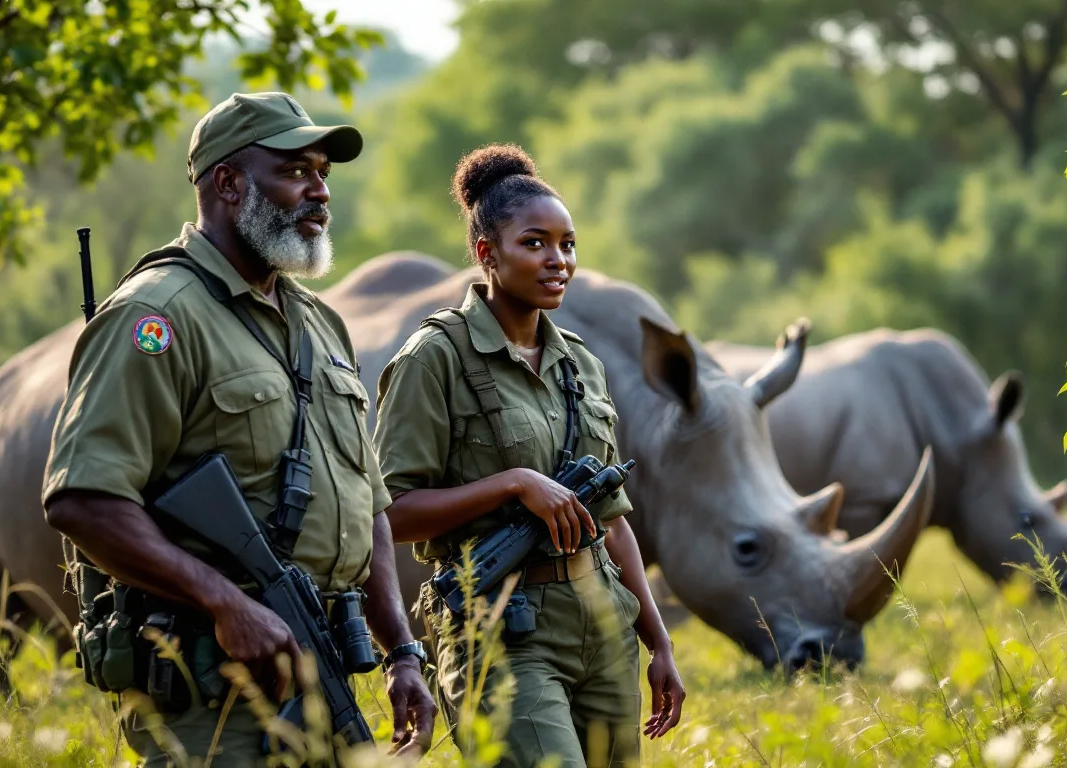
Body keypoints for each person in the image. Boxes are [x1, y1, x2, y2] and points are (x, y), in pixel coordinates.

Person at [42, 92, 436, 766]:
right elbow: (82, 498)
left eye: (323, 173)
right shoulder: (157, 315)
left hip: (321, 671)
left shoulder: (319, 324)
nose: (319, 191)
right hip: (209, 697)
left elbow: (365, 500)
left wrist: (401, 648)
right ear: (227, 183)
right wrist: (226, 603)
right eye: (295, 171)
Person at [372, 144, 685, 768]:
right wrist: (512, 484)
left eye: (568, 245)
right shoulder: (434, 359)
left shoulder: (582, 364)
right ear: (488, 252)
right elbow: (389, 512)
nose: (558, 261)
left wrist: (658, 642)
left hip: (603, 629)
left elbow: (612, 518)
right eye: (536, 243)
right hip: (502, 635)